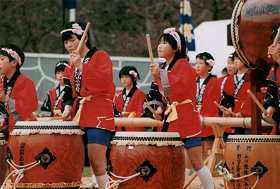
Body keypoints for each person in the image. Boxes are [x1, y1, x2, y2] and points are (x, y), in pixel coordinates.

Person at [150, 27, 214, 189]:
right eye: (159, 43)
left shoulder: (183, 64)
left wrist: (161, 74)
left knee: (196, 161)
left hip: (186, 117)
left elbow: (181, 85)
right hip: (172, 116)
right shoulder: (165, 67)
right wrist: (159, 109)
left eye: (164, 43)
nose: (159, 46)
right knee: (169, 159)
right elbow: (166, 94)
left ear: (175, 48)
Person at [60, 21, 116, 189]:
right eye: (65, 42)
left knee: (95, 156)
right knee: (76, 156)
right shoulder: (71, 64)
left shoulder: (100, 56)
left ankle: (105, 187)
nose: (69, 45)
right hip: (81, 111)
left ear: (84, 39)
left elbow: (105, 81)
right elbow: (69, 90)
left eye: (72, 40)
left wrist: (81, 66)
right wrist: (67, 106)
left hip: (99, 107)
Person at [0, 44, 38, 184]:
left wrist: (6, 100)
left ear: (14, 62)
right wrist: (3, 118)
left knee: (22, 165)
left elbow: (30, 106)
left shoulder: (26, 82)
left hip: (24, 131)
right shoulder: (1, 81)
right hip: (9, 128)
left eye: (2, 59)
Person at [194, 52, 220, 159]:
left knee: (207, 151)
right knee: (197, 152)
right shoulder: (193, 80)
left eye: (201, 63)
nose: (197, 66)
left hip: (207, 119)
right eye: (196, 63)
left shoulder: (214, 81)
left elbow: (212, 101)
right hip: (195, 119)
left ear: (209, 66)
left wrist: (204, 116)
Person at [220, 52, 251, 134]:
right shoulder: (230, 78)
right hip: (235, 115)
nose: (236, 61)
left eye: (239, 59)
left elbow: (252, 97)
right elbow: (227, 96)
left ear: (245, 59)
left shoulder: (252, 76)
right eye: (235, 59)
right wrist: (229, 107)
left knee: (248, 143)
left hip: (249, 114)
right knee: (237, 143)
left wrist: (243, 112)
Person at [113, 65, 146, 131]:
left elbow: (140, 111)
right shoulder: (118, 94)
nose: (124, 79)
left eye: (127, 77)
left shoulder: (140, 94)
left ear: (133, 78)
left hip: (133, 124)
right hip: (120, 125)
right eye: (122, 77)